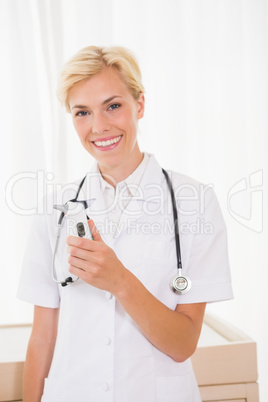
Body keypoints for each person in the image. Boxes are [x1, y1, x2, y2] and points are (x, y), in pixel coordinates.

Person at [17, 45, 233, 402]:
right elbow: (42, 337)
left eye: (113, 105)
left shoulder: (194, 203)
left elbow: (183, 344)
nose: (98, 126)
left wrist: (119, 281)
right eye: (82, 112)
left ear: (140, 105)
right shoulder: (55, 209)